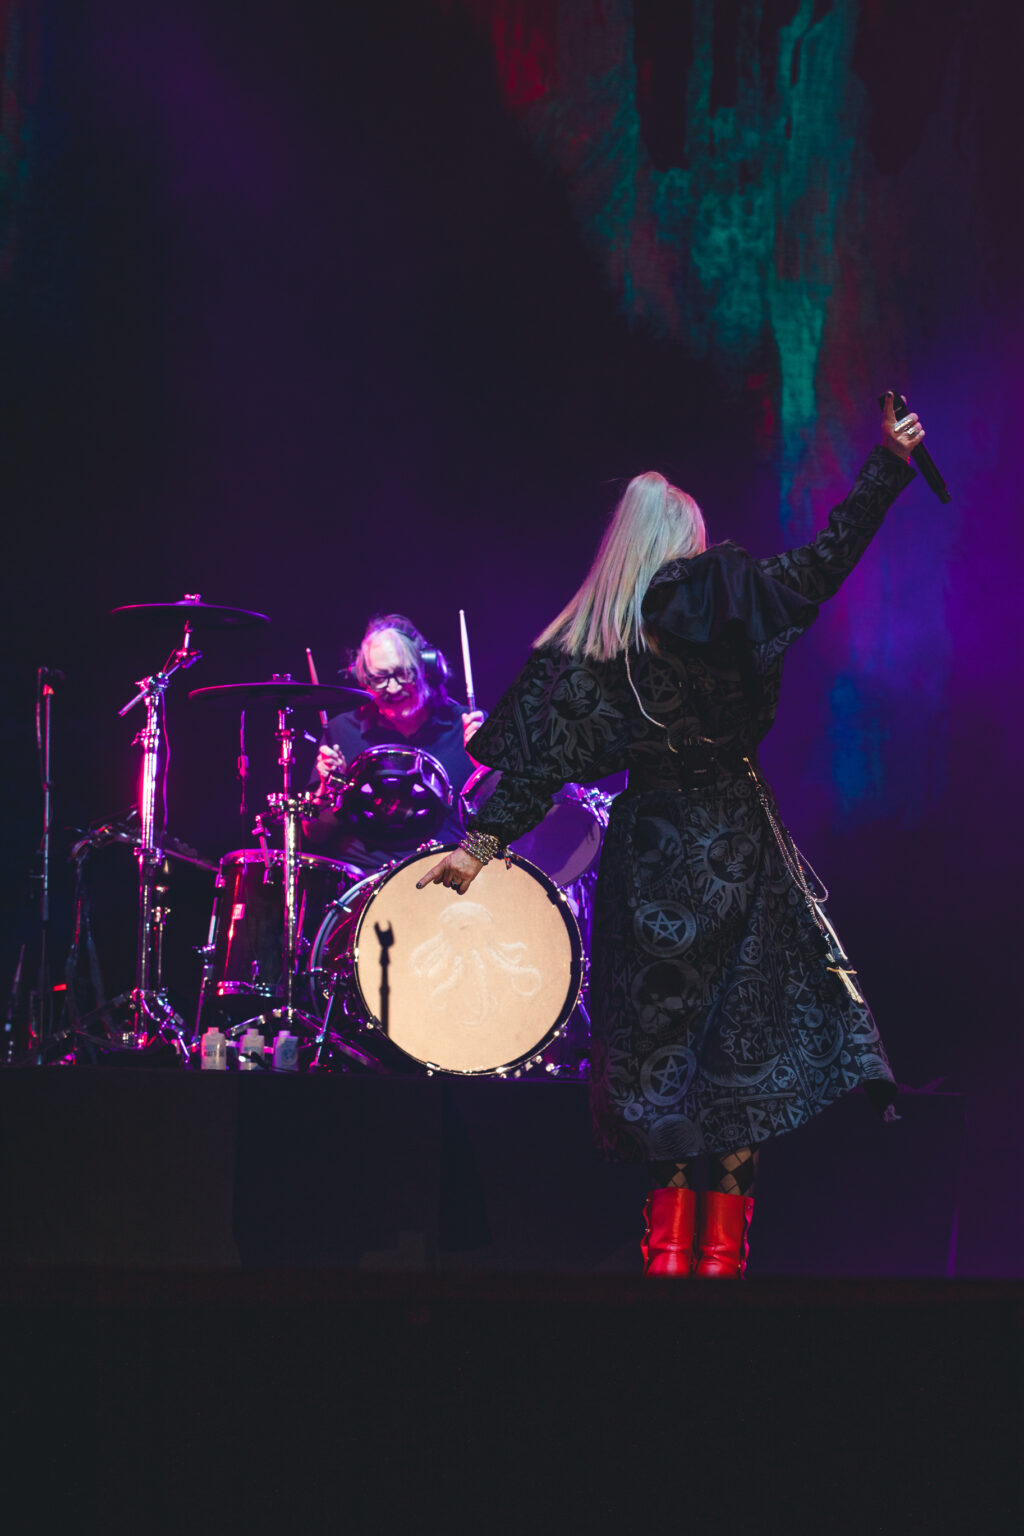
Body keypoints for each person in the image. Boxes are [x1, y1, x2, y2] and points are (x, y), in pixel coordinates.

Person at [418, 394, 925, 1278]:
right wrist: (888, 465)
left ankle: (666, 1270)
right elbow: (822, 564)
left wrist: (477, 850)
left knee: (665, 1065)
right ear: (683, 538)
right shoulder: (724, 601)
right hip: (733, 849)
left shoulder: (597, 639)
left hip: (653, 854)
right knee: (735, 1063)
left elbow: (540, 764)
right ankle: (719, 1273)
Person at [304, 614, 484, 871]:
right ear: (363, 680)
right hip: (365, 883)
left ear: (427, 668)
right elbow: (316, 834)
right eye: (380, 678)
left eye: (402, 673)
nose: (392, 688)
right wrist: (330, 787)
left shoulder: (468, 727)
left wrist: (487, 767)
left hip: (448, 878)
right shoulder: (341, 731)